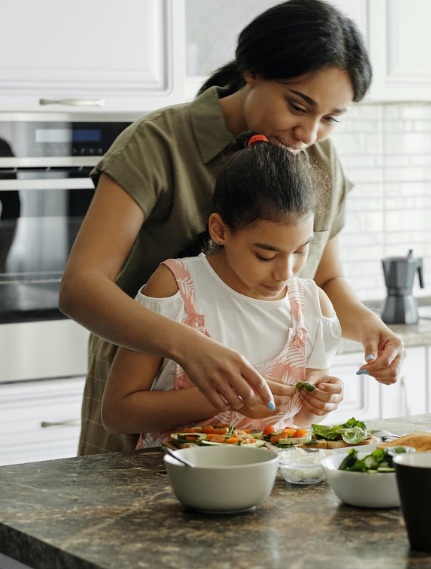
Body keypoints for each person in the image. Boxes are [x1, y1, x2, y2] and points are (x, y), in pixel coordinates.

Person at [59, 0, 406, 455]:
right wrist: (190, 347)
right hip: (146, 395)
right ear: (253, 72)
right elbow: (81, 287)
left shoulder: (317, 157)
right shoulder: (158, 143)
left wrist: (368, 327)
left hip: (258, 436)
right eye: (298, 106)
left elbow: (323, 278)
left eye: (329, 119)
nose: (309, 133)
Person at [102, 133, 344, 447]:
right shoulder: (175, 288)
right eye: (265, 255)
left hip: (272, 482)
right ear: (220, 230)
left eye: (301, 251)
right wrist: (225, 398)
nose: (285, 272)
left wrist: (319, 403)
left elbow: (299, 422)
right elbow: (118, 414)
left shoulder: (313, 306)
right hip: (173, 482)